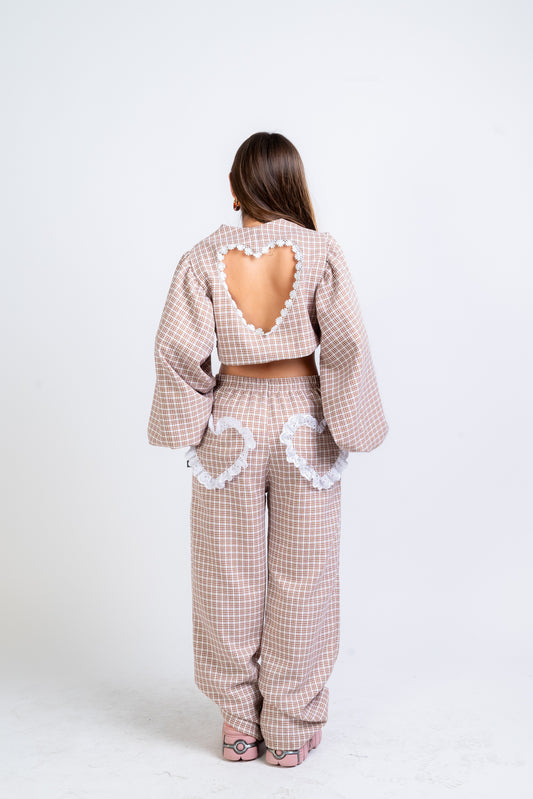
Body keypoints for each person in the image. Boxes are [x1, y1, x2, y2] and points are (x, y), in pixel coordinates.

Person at [147, 131, 389, 767]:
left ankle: (238, 725)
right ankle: (287, 728)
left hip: (231, 424)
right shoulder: (319, 251)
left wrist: (188, 422)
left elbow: (177, 353)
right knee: (305, 575)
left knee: (226, 572)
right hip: (304, 424)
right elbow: (346, 348)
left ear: (235, 188)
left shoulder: (203, 257)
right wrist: (353, 424)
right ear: (292, 183)